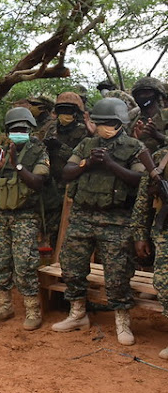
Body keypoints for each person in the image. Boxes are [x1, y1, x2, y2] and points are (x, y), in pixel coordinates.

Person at [52, 98, 146, 345]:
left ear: (120, 123)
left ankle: (122, 322)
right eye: (101, 122)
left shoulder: (134, 146)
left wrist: (111, 164)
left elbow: (140, 179)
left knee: (117, 273)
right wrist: (88, 162)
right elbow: (67, 173)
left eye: (110, 123)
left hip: (116, 219)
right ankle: (77, 314)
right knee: (72, 268)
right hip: (83, 216)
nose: (105, 127)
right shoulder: (86, 144)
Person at [0, 107, 49, 330]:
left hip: (24, 215)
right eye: (13, 129)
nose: (17, 132)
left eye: (21, 129)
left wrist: (17, 164)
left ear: (29, 129)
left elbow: (38, 183)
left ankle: (32, 309)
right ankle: (4, 305)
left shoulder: (38, 151)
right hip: (0, 215)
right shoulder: (0, 151)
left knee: (24, 263)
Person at [131, 144, 168, 359]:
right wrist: (140, 235)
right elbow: (143, 203)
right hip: (165, 230)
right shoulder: (160, 158)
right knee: (164, 282)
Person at [41, 92, 89, 248]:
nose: (65, 115)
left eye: (68, 111)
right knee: (51, 224)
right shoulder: (51, 128)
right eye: (62, 111)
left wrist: (60, 147)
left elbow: (82, 158)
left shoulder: (83, 131)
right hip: (51, 184)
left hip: (72, 184)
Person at [130, 76, 168, 153]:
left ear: (157, 95)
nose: (142, 97)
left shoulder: (166, 116)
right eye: (139, 94)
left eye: (147, 93)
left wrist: (158, 136)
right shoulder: (133, 121)